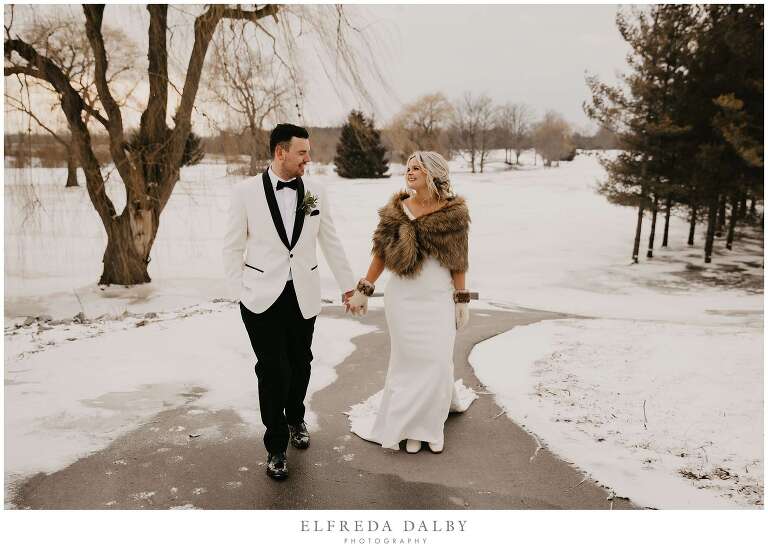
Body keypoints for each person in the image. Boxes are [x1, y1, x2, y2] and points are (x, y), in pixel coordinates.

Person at [223, 123, 356, 480]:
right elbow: (232, 246)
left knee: (300, 363)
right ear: (280, 152)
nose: (307, 160)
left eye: (308, 153)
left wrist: (348, 285)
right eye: (302, 153)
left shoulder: (312, 192)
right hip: (260, 298)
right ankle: (276, 446)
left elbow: (327, 239)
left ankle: (296, 416)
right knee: (273, 370)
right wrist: (240, 290)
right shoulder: (245, 192)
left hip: (303, 294)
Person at [346, 151, 474, 454]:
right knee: (408, 364)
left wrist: (461, 299)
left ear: (432, 173)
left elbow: (459, 261)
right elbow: (380, 253)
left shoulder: (454, 214)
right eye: (408, 168)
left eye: (416, 168)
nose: (410, 172)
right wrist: (365, 288)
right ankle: (408, 429)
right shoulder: (396, 212)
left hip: (437, 299)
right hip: (403, 299)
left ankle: (429, 428)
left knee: (436, 362)